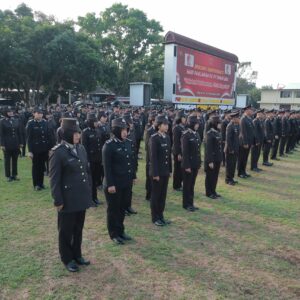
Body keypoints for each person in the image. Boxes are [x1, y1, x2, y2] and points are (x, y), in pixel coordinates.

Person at [49, 118, 93, 272]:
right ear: (66, 134)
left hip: (80, 197)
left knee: (78, 228)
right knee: (66, 231)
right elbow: (54, 180)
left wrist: (89, 191)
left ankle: (77, 254)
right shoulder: (58, 152)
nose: (77, 136)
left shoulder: (81, 149)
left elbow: (87, 172)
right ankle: (67, 258)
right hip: (67, 200)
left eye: (78, 133)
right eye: (74, 133)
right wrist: (58, 200)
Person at [102, 118, 136, 245]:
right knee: (113, 210)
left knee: (122, 208)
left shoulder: (127, 142)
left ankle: (121, 231)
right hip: (114, 184)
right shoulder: (109, 146)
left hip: (125, 182)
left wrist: (132, 176)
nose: (125, 132)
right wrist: (110, 184)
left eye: (126, 129)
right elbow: (107, 167)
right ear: (115, 131)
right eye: (122, 130)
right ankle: (114, 234)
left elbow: (130, 161)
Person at [149, 115, 172, 226]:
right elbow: (153, 158)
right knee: (156, 196)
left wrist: (170, 170)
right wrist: (155, 173)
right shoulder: (154, 138)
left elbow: (168, 155)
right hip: (157, 173)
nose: (166, 126)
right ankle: (155, 217)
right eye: (164, 124)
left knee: (163, 195)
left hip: (165, 172)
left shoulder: (167, 137)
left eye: (167, 124)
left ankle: (161, 215)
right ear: (158, 126)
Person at [26, 107, 51, 190]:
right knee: (36, 167)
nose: (40, 114)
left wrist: (49, 149)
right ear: (34, 114)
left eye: (41, 113)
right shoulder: (31, 123)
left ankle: (41, 183)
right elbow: (29, 138)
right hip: (35, 149)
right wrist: (30, 151)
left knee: (42, 166)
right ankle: (36, 184)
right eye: (38, 113)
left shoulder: (45, 122)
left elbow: (48, 136)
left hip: (44, 148)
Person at [82, 113, 102, 206]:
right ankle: (90, 199)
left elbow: (100, 146)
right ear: (90, 122)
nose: (96, 123)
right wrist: (87, 161)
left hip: (97, 159)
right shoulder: (85, 132)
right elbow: (84, 148)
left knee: (96, 180)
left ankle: (95, 197)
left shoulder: (97, 131)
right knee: (91, 181)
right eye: (94, 121)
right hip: (90, 160)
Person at [181, 115, 201, 211]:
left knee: (192, 185)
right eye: (196, 124)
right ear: (192, 124)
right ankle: (186, 204)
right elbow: (185, 152)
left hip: (195, 164)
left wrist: (198, 163)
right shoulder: (186, 135)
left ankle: (191, 203)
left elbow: (198, 150)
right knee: (187, 185)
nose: (197, 126)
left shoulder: (196, 134)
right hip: (188, 165)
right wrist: (186, 166)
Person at [0, 106, 23, 181]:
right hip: (6, 144)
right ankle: (8, 176)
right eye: (9, 112)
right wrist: (2, 144)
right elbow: (1, 134)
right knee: (7, 160)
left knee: (15, 160)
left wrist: (21, 142)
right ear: (5, 113)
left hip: (15, 143)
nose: (11, 113)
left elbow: (19, 132)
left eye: (11, 111)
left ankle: (14, 175)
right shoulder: (2, 121)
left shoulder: (16, 120)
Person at [204, 116, 222, 199]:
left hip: (217, 158)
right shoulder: (209, 134)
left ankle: (213, 191)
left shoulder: (217, 132)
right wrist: (210, 161)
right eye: (218, 123)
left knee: (215, 176)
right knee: (210, 176)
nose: (220, 125)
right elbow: (209, 149)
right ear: (214, 124)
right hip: (212, 159)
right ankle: (209, 192)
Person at [237, 105, 254, 178]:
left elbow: (251, 131)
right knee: (241, 158)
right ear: (246, 110)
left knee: (245, 158)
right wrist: (245, 143)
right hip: (244, 143)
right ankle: (240, 172)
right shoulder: (243, 119)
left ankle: (243, 171)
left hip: (248, 141)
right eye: (251, 110)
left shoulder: (249, 119)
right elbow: (243, 132)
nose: (252, 111)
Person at [172, 110, 186, 191]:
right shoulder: (176, 128)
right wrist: (178, 153)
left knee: (181, 169)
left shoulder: (182, 127)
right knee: (177, 169)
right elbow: (176, 142)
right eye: (184, 117)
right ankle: (176, 185)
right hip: (178, 151)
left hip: (182, 151)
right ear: (180, 118)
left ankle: (179, 184)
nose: (185, 119)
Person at [224, 111, 240, 185]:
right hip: (230, 149)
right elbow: (228, 139)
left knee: (233, 164)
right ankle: (228, 179)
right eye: (237, 118)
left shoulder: (236, 125)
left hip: (235, 148)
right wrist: (231, 149)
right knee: (229, 165)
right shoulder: (230, 126)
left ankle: (231, 178)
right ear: (233, 118)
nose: (238, 119)